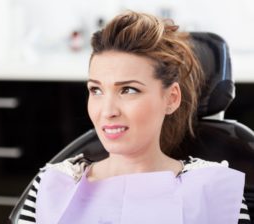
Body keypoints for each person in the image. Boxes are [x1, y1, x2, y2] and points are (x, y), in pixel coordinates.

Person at [18, 11, 251, 224]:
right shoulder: (52, 185)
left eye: (128, 90)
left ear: (171, 98)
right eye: (96, 90)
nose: (107, 110)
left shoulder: (215, 191)